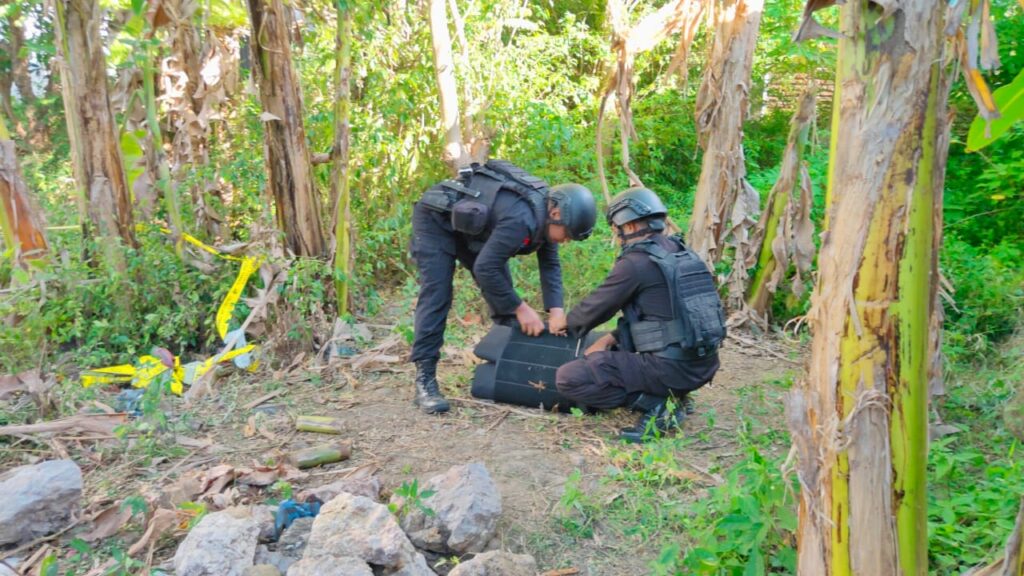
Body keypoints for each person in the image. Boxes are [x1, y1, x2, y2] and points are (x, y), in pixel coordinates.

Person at [410, 159, 597, 414]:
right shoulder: (522, 218)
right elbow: (486, 268)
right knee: (438, 294)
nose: (565, 241)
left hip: (472, 229)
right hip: (436, 220)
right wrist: (521, 308)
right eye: (566, 235)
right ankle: (425, 378)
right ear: (555, 214)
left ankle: (508, 365)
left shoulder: (549, 212)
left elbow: (550, 264)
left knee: (502, 289)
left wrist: (556, 311)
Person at [555, 186, 725, 443]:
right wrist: (612, 338)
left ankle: (658, 405)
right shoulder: (682, 253)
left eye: (617, 229)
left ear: (631, 226)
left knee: (569, 378)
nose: (618, 235)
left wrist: (564, 323)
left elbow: (594, 308)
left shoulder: (636, 262)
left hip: (670, 369)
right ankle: (674, 394)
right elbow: (663, 315)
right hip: (702, 365)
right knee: (603, 348)